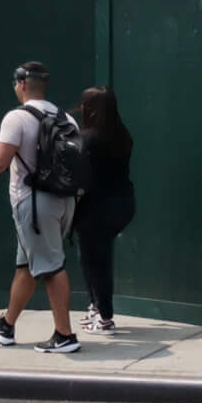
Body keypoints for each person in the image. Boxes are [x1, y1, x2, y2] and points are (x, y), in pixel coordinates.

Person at [0, 61, 79, 353]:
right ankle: (6, 325)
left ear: (21, 85)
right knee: (27, 266)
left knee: (51, 267)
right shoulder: (66, 117)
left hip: (33, 204)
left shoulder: (16, 118)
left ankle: (65, 335)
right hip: (63, 200)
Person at [72, 87, 136, 333]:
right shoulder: (123, 135)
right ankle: (95, 308)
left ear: (89, 108)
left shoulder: (87, 138)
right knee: (93, 256)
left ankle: (104, 315)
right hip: (123, 203)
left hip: (95, 207)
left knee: (95, 260)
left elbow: (81, 178)